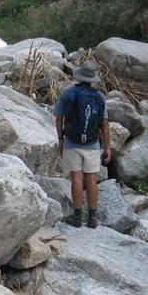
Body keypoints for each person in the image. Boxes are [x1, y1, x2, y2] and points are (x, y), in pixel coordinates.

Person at [54, 60, 111, 228]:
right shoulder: (99, 96)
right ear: (93, 78)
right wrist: (107, 147)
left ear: (78, 76)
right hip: (93, 143)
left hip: (72, 141)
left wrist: (61, 139)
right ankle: (92, 218)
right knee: (91, 179)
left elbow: (59, 118)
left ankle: (77, 217)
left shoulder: (68, 93)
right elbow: (106, 124)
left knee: (77, 178)